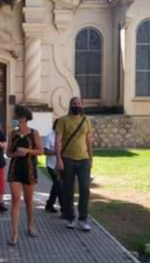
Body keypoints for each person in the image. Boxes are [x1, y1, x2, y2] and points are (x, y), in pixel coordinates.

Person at [55, 97, 93, 232]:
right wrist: (58, 159)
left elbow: (88, 141)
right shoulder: (63, 121)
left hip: (83, 160)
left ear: (82, 105)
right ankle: (70, 217)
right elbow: (58, 141)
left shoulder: (86, 121)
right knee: (68, 190)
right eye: (74, 104)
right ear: (70, 106)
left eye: (78, 103)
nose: (76, 105)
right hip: (67, 159)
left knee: (85, 188)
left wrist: (91, 158)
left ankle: (83, 219)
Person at [6, 105, 43, 246]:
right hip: (15, 169)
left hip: (29, 169)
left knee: (28, 200)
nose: (14, 118)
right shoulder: (12, 134)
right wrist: (15, 153)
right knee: (15, 200)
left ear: (22, 118)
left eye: (15, 116)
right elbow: (8, 153)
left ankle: (30, 226)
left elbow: (40, 151)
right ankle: (14, 234)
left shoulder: (34, 133)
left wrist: (27, 150)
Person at [43, 119, 63, 214]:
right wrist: (56, 152)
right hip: (51, 165)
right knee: (58, 185)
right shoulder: (49, 136)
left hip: (62, 165)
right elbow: (45, 151)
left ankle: (49, 204)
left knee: (57, 185)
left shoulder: (64, 136)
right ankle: (64, 208)